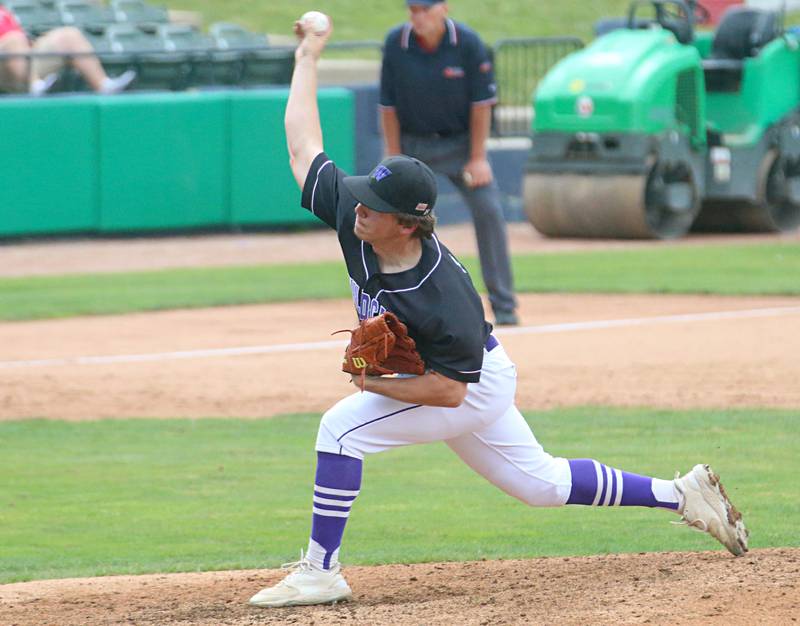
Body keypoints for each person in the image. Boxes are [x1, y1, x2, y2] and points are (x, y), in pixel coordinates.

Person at [247, 14, 749, 610]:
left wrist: (371, 380)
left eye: (375, 207)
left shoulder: (440, 295)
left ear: (407, 223)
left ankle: (320, 572)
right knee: (540, 484)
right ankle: (682, 494)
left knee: (340, 429)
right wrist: (309, 55)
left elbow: (451, 395)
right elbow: (304, 146)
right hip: (452, 377)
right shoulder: (358, 216)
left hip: (468, 383)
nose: (358, 210)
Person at [379, 0, 518, 326]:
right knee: (387, 219)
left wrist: (478, 157)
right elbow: (388, 106)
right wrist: (396, 159)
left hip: (460, 146)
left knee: (489, 211)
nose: (418, 17)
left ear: (444, 8)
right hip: (413, 146)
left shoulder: (467, 43)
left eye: (425, 10)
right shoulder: (396, 43)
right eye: (413, 10)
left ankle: (505, 304)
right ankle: (388, 302)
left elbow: (481, 104)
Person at [0, 5, 135, 95]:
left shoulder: (3, 11)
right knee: (14, 40)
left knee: (69, 35)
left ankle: (104, 86)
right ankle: (35, 88)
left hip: (21, 63)